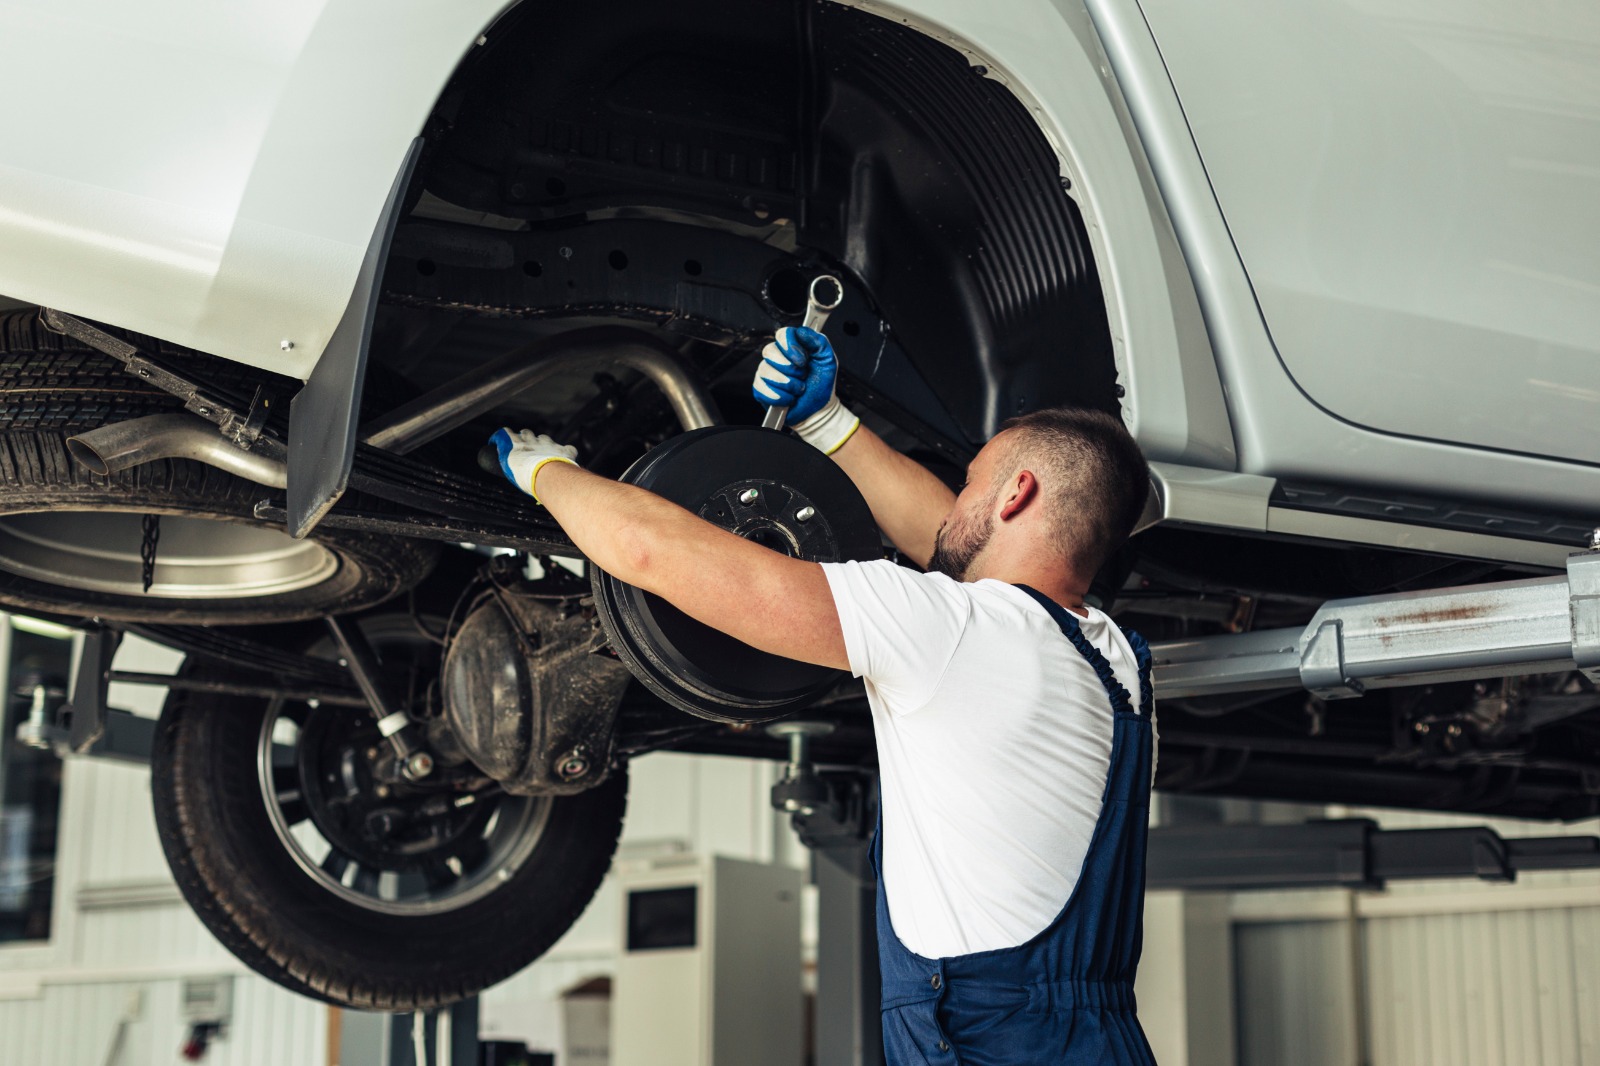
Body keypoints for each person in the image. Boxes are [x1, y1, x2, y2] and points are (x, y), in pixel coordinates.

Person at [491, 326, 1157, 1065]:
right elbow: (953, 538)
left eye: (971, 479)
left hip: (996, 1043)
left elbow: (652, 552)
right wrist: (828, 423)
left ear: (1017, 495)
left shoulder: (957, 631)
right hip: (1087, 1035)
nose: (955, 498)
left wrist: (547, 470)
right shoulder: (1113, 656)